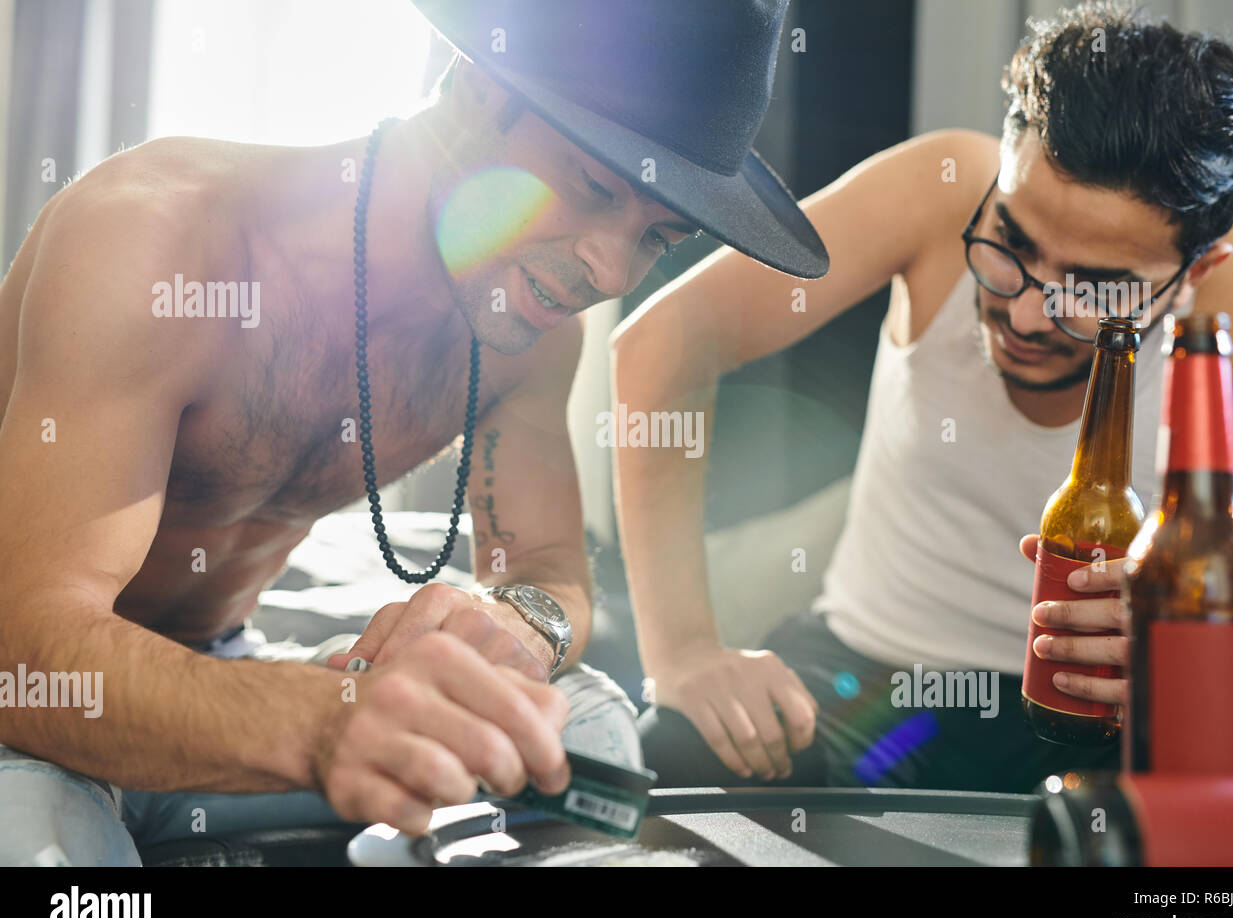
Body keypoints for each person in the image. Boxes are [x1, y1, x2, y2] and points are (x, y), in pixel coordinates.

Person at [0, 0, 827, 864]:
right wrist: (323, 724)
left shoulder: (531, 337)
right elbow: (27, 647)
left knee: (583, 733)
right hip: (30, 704)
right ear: (475, 91)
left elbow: (551, 575)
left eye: (656, 236)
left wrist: (513, 628)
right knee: (33, 842)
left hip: (227, 670)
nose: (609, 271)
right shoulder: (159, 237)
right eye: (592, 188)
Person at [614, 1, 1233, 793]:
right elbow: (664, 343)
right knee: (673, 752)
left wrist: (1211, 655)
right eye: (1012, 242)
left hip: (1123, 719)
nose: (1027, 313)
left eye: (1096, 287)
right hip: (868, 684)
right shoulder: (937, 186)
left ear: (1198, 274)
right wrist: (684, 654)